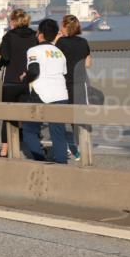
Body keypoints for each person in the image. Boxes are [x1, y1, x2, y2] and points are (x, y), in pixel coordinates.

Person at [21, 18, 68, 164]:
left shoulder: (34, 50)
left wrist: (24, 78)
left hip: (41, 94)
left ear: (39, 34)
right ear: (55, 35)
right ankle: (61, 164)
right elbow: (64, 73)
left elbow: (34, 71)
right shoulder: (59, 52)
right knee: (58, 134)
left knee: (29, 130)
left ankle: (41, 160)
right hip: (61, 94)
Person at [0, 9, 38, 158]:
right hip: (29, 81)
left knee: (8, 116)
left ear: (13, 21)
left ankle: (4, 150)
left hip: (11, 81)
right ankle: (33, 148)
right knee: (25, 116)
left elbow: (5, 56)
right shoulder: (34, 36)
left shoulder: (9, 36)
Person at [55, 14, 92, 161]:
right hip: (80, 83)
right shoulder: (83, 42)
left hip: (63, 83)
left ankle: (68, 149)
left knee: (61, 115)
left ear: (65, 27)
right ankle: (83, 148)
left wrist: (57, 39)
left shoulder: (61, 42)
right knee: (80, 117)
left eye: (61, 25)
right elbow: (88, 63)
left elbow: (54, 59)